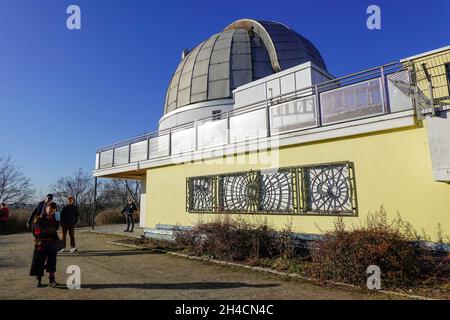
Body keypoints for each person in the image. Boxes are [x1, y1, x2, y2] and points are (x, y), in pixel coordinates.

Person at [29, 202, 61, 288]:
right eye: (50, 209)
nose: (52, 212)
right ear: (46, 209)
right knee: (39, 262)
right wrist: (41, 238)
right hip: (41, 244)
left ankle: (52, 280)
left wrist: (57, 240)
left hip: (51, 243)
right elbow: (35, 232)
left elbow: (55, 231)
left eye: (54, 210)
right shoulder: (38, 219)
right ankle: (38, 280)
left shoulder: (55, 220)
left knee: (52, 262)